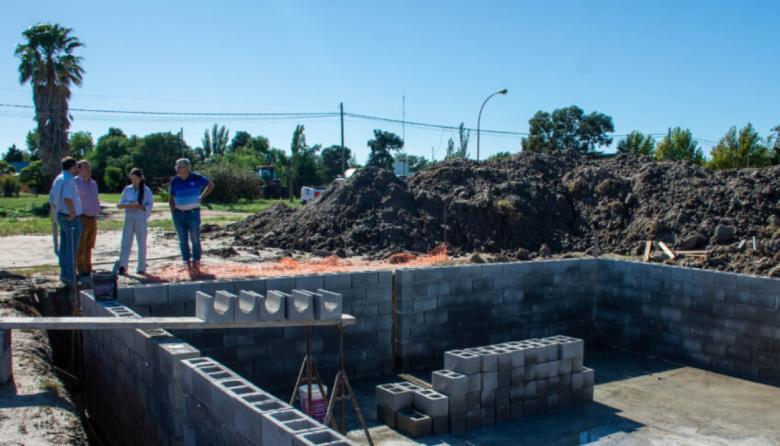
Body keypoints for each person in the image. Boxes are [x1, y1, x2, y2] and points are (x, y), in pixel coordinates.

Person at [169, 158, 214, 272]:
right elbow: (171, 197)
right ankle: (186, 261)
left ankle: (196, 261)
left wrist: (201, 197)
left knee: (195, 238)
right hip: (179, 214)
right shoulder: (175, 180)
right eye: (177, 167)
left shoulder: (196, 177)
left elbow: (210, 185)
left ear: (187, 167)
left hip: (193, 213)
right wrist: (173, 212)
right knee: (182, 239)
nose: (178, 169)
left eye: (180, 167)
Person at [48, 157, 82, 285]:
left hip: (61, 215)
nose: (77, 169)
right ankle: (70, 275)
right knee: (71, 247)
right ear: (72, 167)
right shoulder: (68, 179)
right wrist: (72, 212)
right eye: (76, 166)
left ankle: (64, 273)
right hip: (69, 217)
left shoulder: (58, 178)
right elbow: (67, 198)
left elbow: (52, 199)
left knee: (64, 245)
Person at [118, 168, 153, 275]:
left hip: (140, 216)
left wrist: (141, 207)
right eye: (132, 179)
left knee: (141, 242)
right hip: (129, 215)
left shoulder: (146, 190)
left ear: (140, 178)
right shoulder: (127, 189)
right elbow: (120, 204)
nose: (134, 181)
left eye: (136, 179)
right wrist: (130, 204)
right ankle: (123, 266)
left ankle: (141, 267)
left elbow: (149, 205)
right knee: (126, 241)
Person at [75, 160, 100, 279]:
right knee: (81, 245)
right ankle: (81, 269)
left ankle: (88, 267)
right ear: (79, 169)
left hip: (93, 218)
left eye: (89, 167)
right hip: (81, 217)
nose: (88, 169)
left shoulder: (93, 183)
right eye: (85, 167)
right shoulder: (75, 183)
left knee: (89, 244)